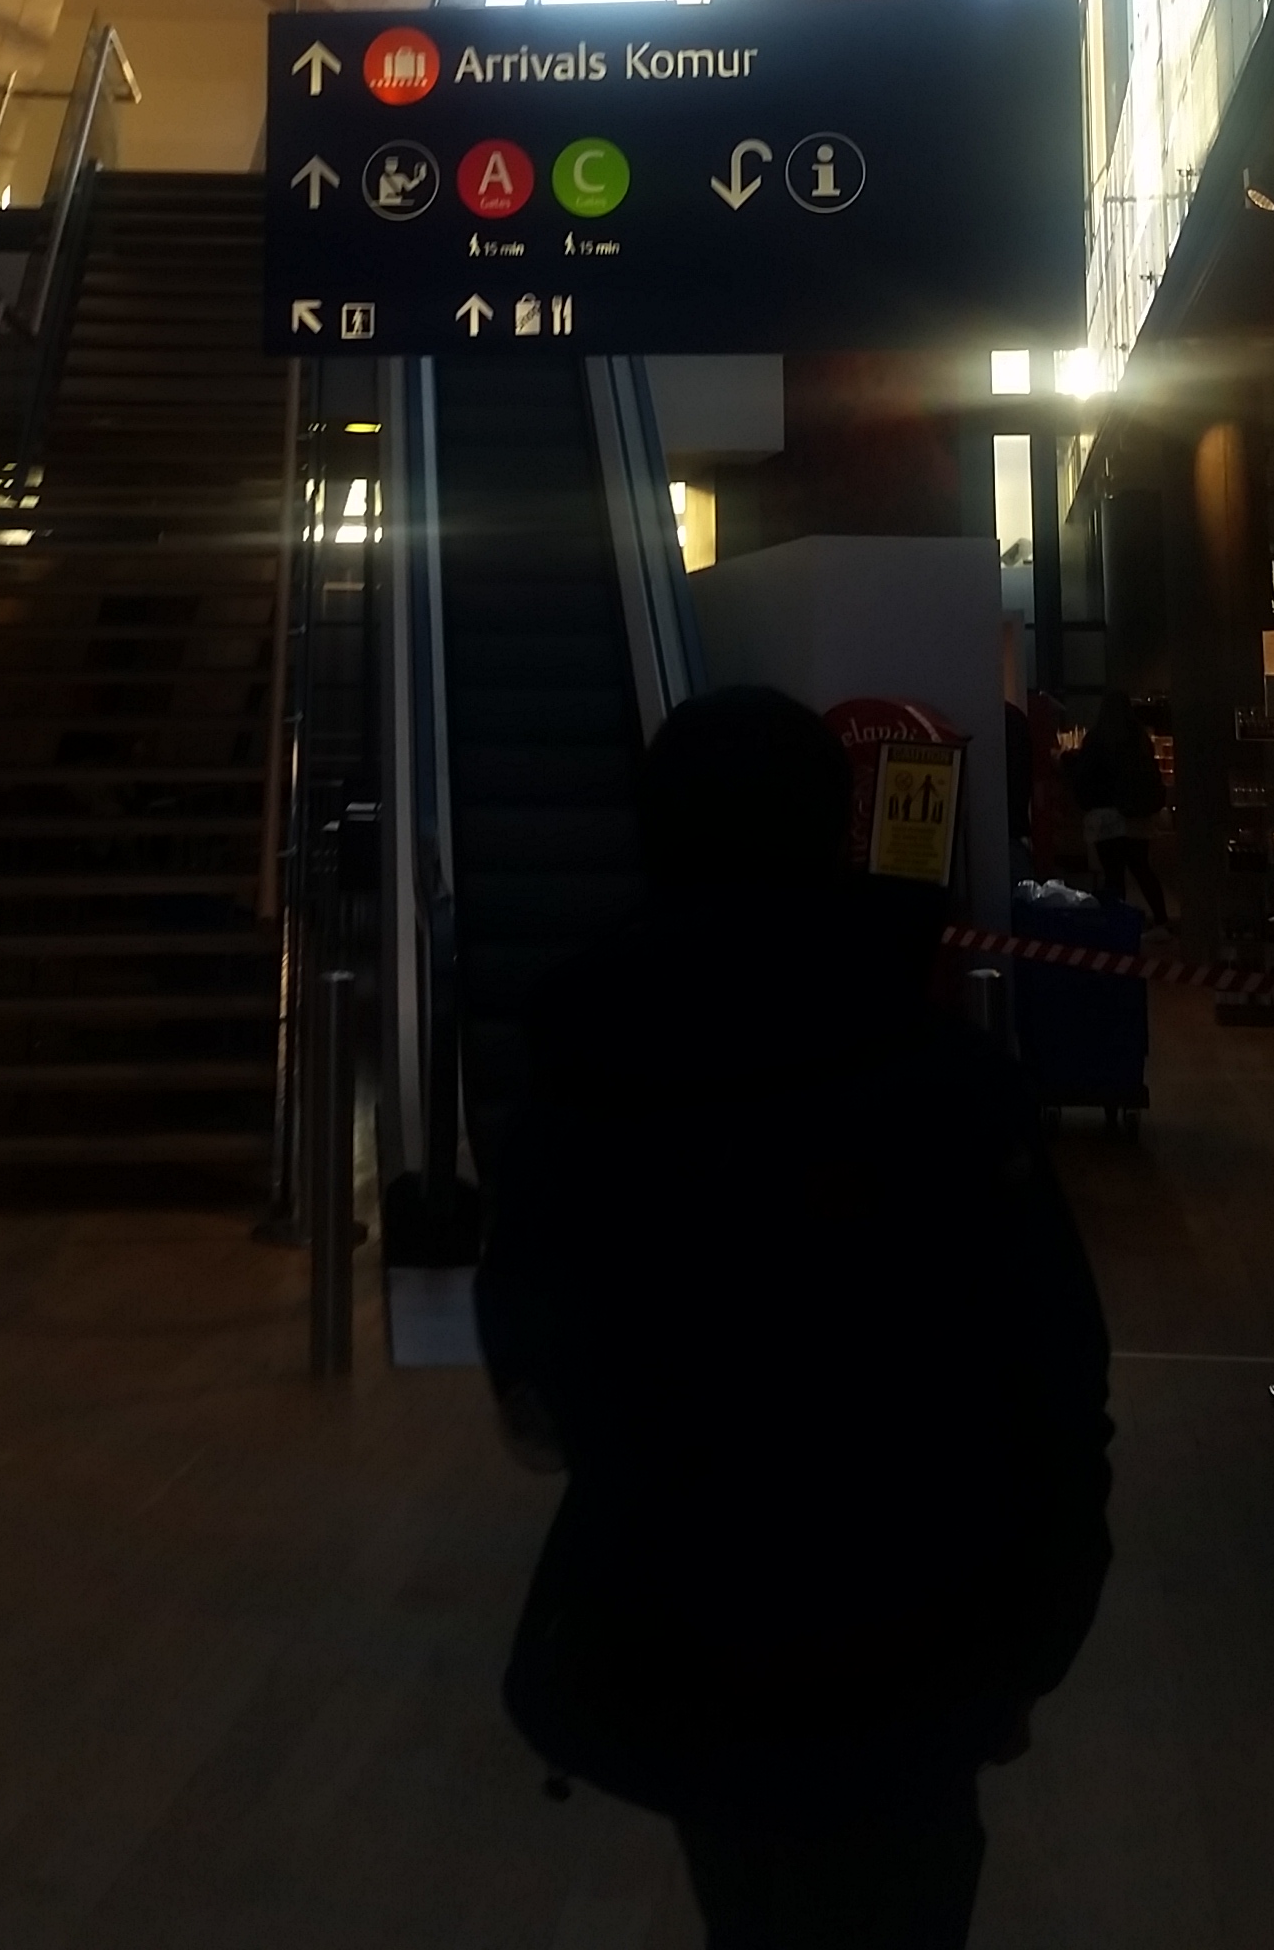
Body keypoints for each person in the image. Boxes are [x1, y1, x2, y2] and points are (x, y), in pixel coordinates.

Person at [474, 686, 1113, 1950]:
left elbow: (537, 1392)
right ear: (835, 829)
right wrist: (1038, 1622)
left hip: (688, 1625)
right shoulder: (945, 1082)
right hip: (923, 1627)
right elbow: (1052, 1372)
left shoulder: (582, 1077)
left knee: (749, 1897)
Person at [1068, 689, 1169, 932]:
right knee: (1142, 868)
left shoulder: (1097, 738)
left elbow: (1084, 778)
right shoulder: (1139, 738)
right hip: (1136, 816)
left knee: (1113, 874)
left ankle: (1119, 924)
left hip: (1105, 818)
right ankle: (1161, 921)